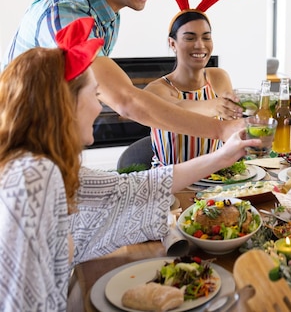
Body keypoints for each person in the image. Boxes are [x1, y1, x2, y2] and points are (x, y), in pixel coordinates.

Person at [0, 17, 259, 311]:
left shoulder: (45, 167)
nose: (100, 107)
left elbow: (133, 186)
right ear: (65, 104)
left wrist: (225, 155)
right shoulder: (33, 177)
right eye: (95, 95)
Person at [2, 0, 243, 143]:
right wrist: (221, 130)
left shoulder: (108, 17)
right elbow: (124, 100)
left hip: (53, 137)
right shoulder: (65, 12)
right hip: (17, 142)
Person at [144, 0, 243, 166]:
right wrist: (214, 106)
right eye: (189, 38)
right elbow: (175, 109)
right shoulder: (157, 89)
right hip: (171, 184)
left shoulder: (218, 77)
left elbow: (230, 125)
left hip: (217, 181)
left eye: (206, 37)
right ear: (172, 44)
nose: (200, 45)